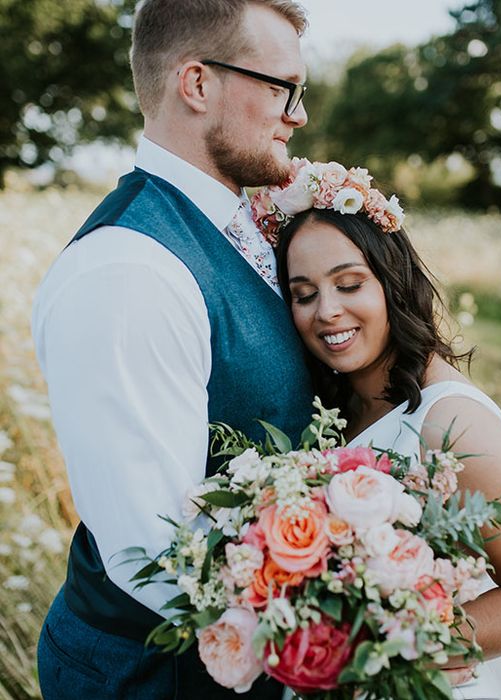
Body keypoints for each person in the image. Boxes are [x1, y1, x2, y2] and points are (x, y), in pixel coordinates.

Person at [31, 1, 314, 697]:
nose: (298, 115)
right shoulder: (129, 271)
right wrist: (341, 634)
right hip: (156, 677)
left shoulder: (237, 223)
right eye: (283, 88)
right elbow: (157, 554)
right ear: (197, 84)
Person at [260, 160, 501, 699]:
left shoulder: (450, 421)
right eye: (304, 293)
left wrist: (378, 651)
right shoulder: (337, 403)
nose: (327, 311)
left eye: (349, 284)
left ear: (391, 280)